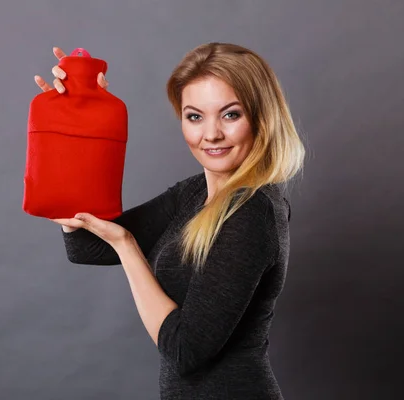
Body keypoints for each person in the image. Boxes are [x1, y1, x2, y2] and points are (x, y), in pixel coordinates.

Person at [33, 43, 305, 400]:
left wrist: (127, 247)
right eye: (195, 116)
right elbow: (88, 246)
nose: (210, 135)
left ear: (262, 117)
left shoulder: (253, 211)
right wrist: (78, 126)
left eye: (230, 114)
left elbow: (185, 351)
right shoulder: (194, 194)